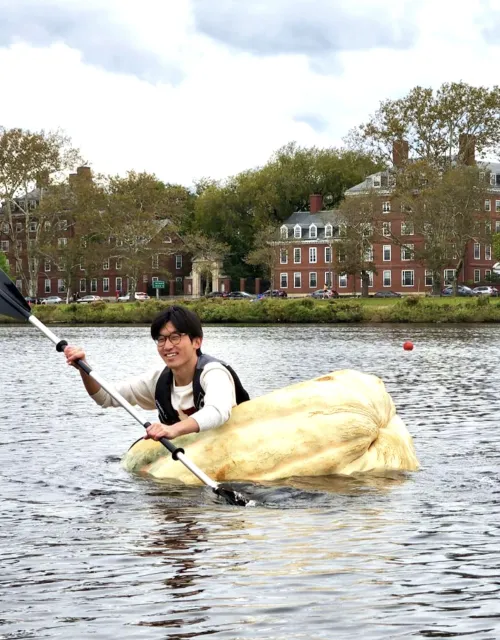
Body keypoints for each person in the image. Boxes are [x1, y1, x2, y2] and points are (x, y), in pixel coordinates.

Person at [64, 305, 250, 441]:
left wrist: (173, 430)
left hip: (238, 446)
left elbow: (217, 411)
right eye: (161, 340)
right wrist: (83, 368)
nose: (168, 346)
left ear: (196, 342)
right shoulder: (158, 380)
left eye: (175, 337)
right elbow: (104, 397)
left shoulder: (214, 373)